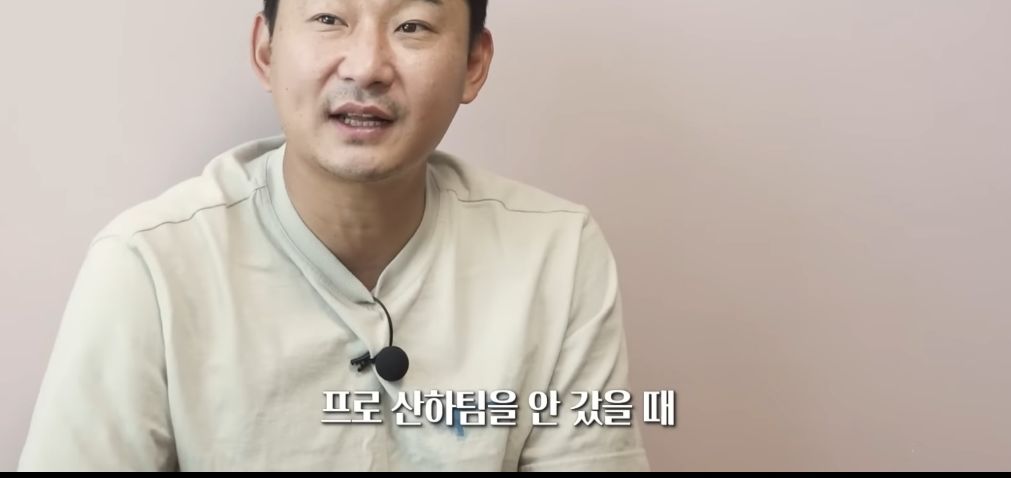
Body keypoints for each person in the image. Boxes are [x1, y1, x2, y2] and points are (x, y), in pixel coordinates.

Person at [18, 0, 649, 471]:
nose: (367, 66)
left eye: (413, 26)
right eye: (328, 18)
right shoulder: (150, 263)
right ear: (266, 51)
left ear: (473, 64)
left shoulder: (556, 253)